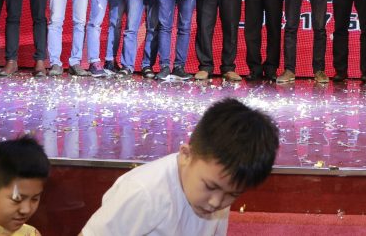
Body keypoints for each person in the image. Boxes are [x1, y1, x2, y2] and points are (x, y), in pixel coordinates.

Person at [80, 98, 279, 236]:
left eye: (233, 195)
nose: (216, 202)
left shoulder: (220, 187)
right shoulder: (143, 193)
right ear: (186, 155)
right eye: (210, 186)